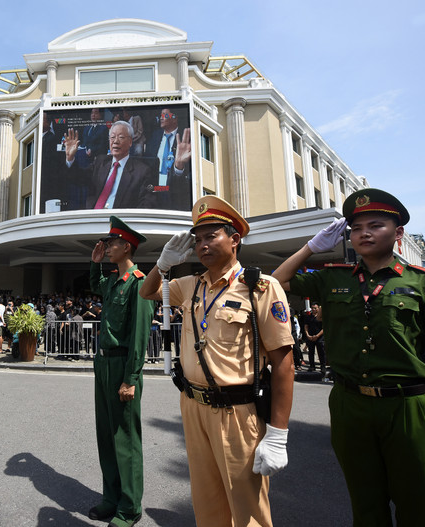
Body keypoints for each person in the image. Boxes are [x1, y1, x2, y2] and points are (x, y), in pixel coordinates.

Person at [271, 188, 425, 526]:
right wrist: (310, 247)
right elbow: (277, 282)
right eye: (356, 227)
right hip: (350, 403)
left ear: (398, 233)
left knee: (417, 502)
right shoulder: (332, 278)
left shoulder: (424, 283)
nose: (364, 233)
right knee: (365, 502)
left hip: (408, 405)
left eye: (376, 225)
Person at [139, 195, 294, 526]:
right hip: (193, 405)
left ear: (235, 240)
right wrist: (162, 265)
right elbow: (147, 291)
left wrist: (278, 434)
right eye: (198, 239)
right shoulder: (191, 286)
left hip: (237, 412)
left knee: (247, 509)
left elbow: (284, 363)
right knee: (207, 503)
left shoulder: (261, 287)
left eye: (211, 236)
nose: (202, 245)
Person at [88, 216, 154, 527]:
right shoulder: (114, 280)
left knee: (125, 439)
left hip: (122, 365)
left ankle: (129, 507)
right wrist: (95, 263)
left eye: (112, 243)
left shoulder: (139, 283)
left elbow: (140, 337)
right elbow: (94, 286)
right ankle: (111, 498)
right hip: (103, 364)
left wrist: (131, 379)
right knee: (106, 436)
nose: (107, 246)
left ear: (125, 246)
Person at [63, 121, 156, 210]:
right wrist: (70, 158)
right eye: (112, 137)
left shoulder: (142, 171)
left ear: (130, 142)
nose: (115, 141)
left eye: (121, 137)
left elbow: (146, 205)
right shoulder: (100, 162)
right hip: (93, 218)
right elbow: (78, 179)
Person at [144, 108, 192, 210]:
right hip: (154, 187)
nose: (161, 118)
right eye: (161, 115)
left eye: (165, 115)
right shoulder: (155, 136)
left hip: (174, 189)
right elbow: (147, 160)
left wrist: (178, 168)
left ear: (174, 118)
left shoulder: (185, 138)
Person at [302, 303, 327, 377]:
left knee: (321, 352)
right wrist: (307, 335)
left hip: (319, 337)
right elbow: (306, 326)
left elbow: (324, 328)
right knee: (311, 352)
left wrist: (317, 335)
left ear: (318, 309)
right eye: (312, 308)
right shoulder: (308, 317)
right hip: (310, 336)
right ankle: (312, 366)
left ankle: (323, 367)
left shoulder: (321, 317)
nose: (313, 309)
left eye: (315, 308)